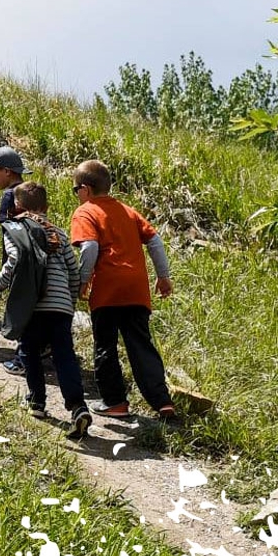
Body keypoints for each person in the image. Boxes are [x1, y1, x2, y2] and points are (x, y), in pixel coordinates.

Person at [70, 159, 179, 420]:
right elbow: (155, 241)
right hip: (136, 289)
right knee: (141, 344)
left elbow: (90, 248)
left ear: (85, 189)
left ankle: (116, 402)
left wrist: (84, 279)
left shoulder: (86, 211)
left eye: (75, 190)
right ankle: (162, 402)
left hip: (108, 289)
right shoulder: (128, 211)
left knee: (105, 345)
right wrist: (163, 276)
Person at [0, 181, 94, 441]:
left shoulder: (16, 229)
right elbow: (73, 269)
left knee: (29, 349)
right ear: (46, 206)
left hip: (34, 302)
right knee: (64, 355)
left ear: (16, 207)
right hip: (60, 305)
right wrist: (69, 302)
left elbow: (15, 260)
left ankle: (37, 401)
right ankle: (77, 406)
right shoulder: (58, 233)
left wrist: (0, 282)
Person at [0, 146, 30, 374]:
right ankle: (41, 347)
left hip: (15, 258)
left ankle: (24, 357)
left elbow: (6, 228)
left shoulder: (8, 196)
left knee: (19, 308)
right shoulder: (31, 192)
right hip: (36, 260)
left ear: (6, 172)